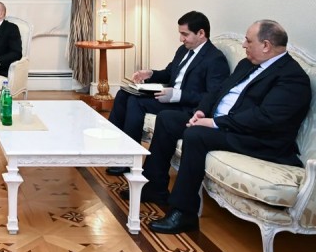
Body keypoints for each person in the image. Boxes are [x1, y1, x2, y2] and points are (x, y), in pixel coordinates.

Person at [130, 20, 311, 235]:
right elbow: (217, 91)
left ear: (266, 45)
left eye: (248, 41)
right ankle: (155, 188)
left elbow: (265, 118)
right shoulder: (247, 64)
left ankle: (183, 212)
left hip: (257, 139)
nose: (243, 45)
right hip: (223, 123)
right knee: (168, 119)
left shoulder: (291, 77)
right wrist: (201, 111)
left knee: (196, 135)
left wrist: (215, 123)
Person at [106, 11, 230, 175]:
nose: (181, 39)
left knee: (135, 102)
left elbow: (211, 96)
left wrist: (178, 95)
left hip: (184, 106)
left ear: (201, 33)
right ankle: (112, 151)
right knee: (123, 94)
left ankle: (129, 159)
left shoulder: (215, 59)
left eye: (185, 34)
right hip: (168, 97)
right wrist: (150, 74)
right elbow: (169, 73)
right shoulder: (183, 50)